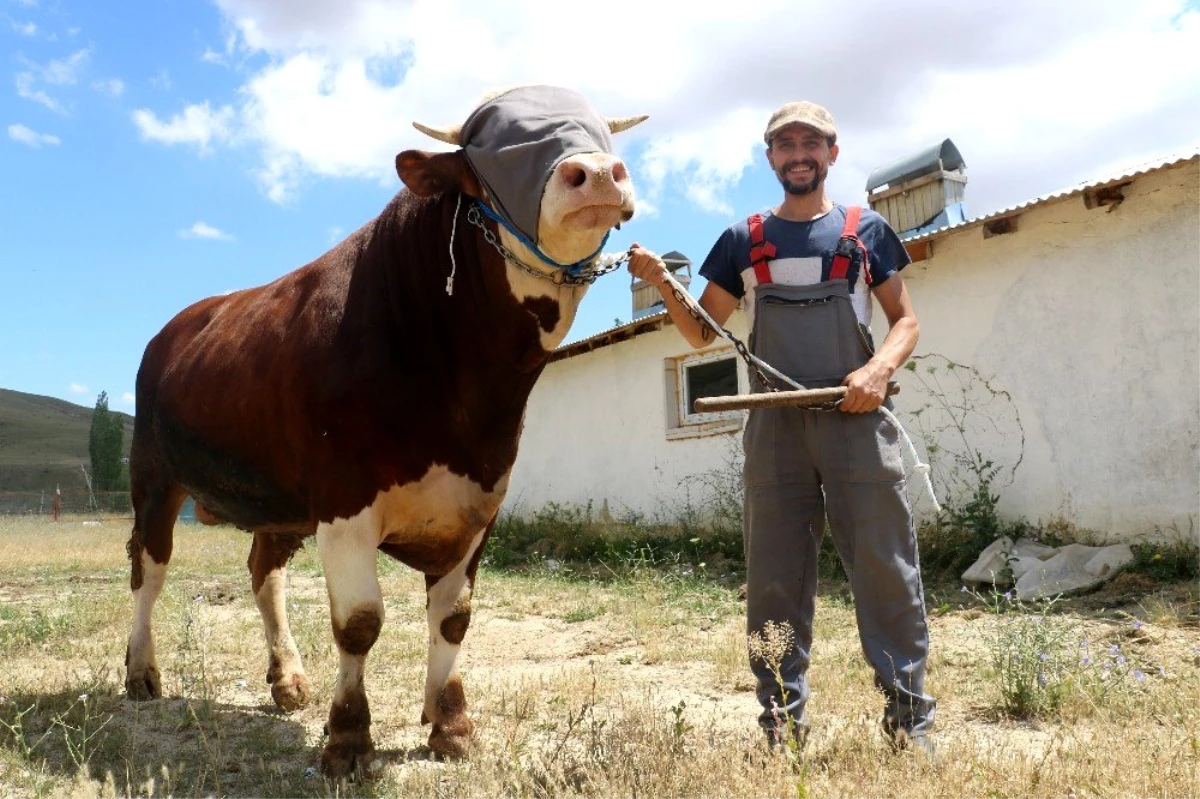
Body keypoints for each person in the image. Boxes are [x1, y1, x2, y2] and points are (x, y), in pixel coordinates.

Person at [627, 101, 936, 755]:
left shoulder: (864, 231)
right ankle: (782, 726)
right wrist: (660, 282)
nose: (798, 153)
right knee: (773, 578)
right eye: (784, 143)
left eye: (811, 142)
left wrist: (877, 370)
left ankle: (910, 720)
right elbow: (702, 330)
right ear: (770, 157)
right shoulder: (744, 239)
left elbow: (904, 320)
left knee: (886, 567)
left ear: (832, 151)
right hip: (775, 432)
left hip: (856, 420)